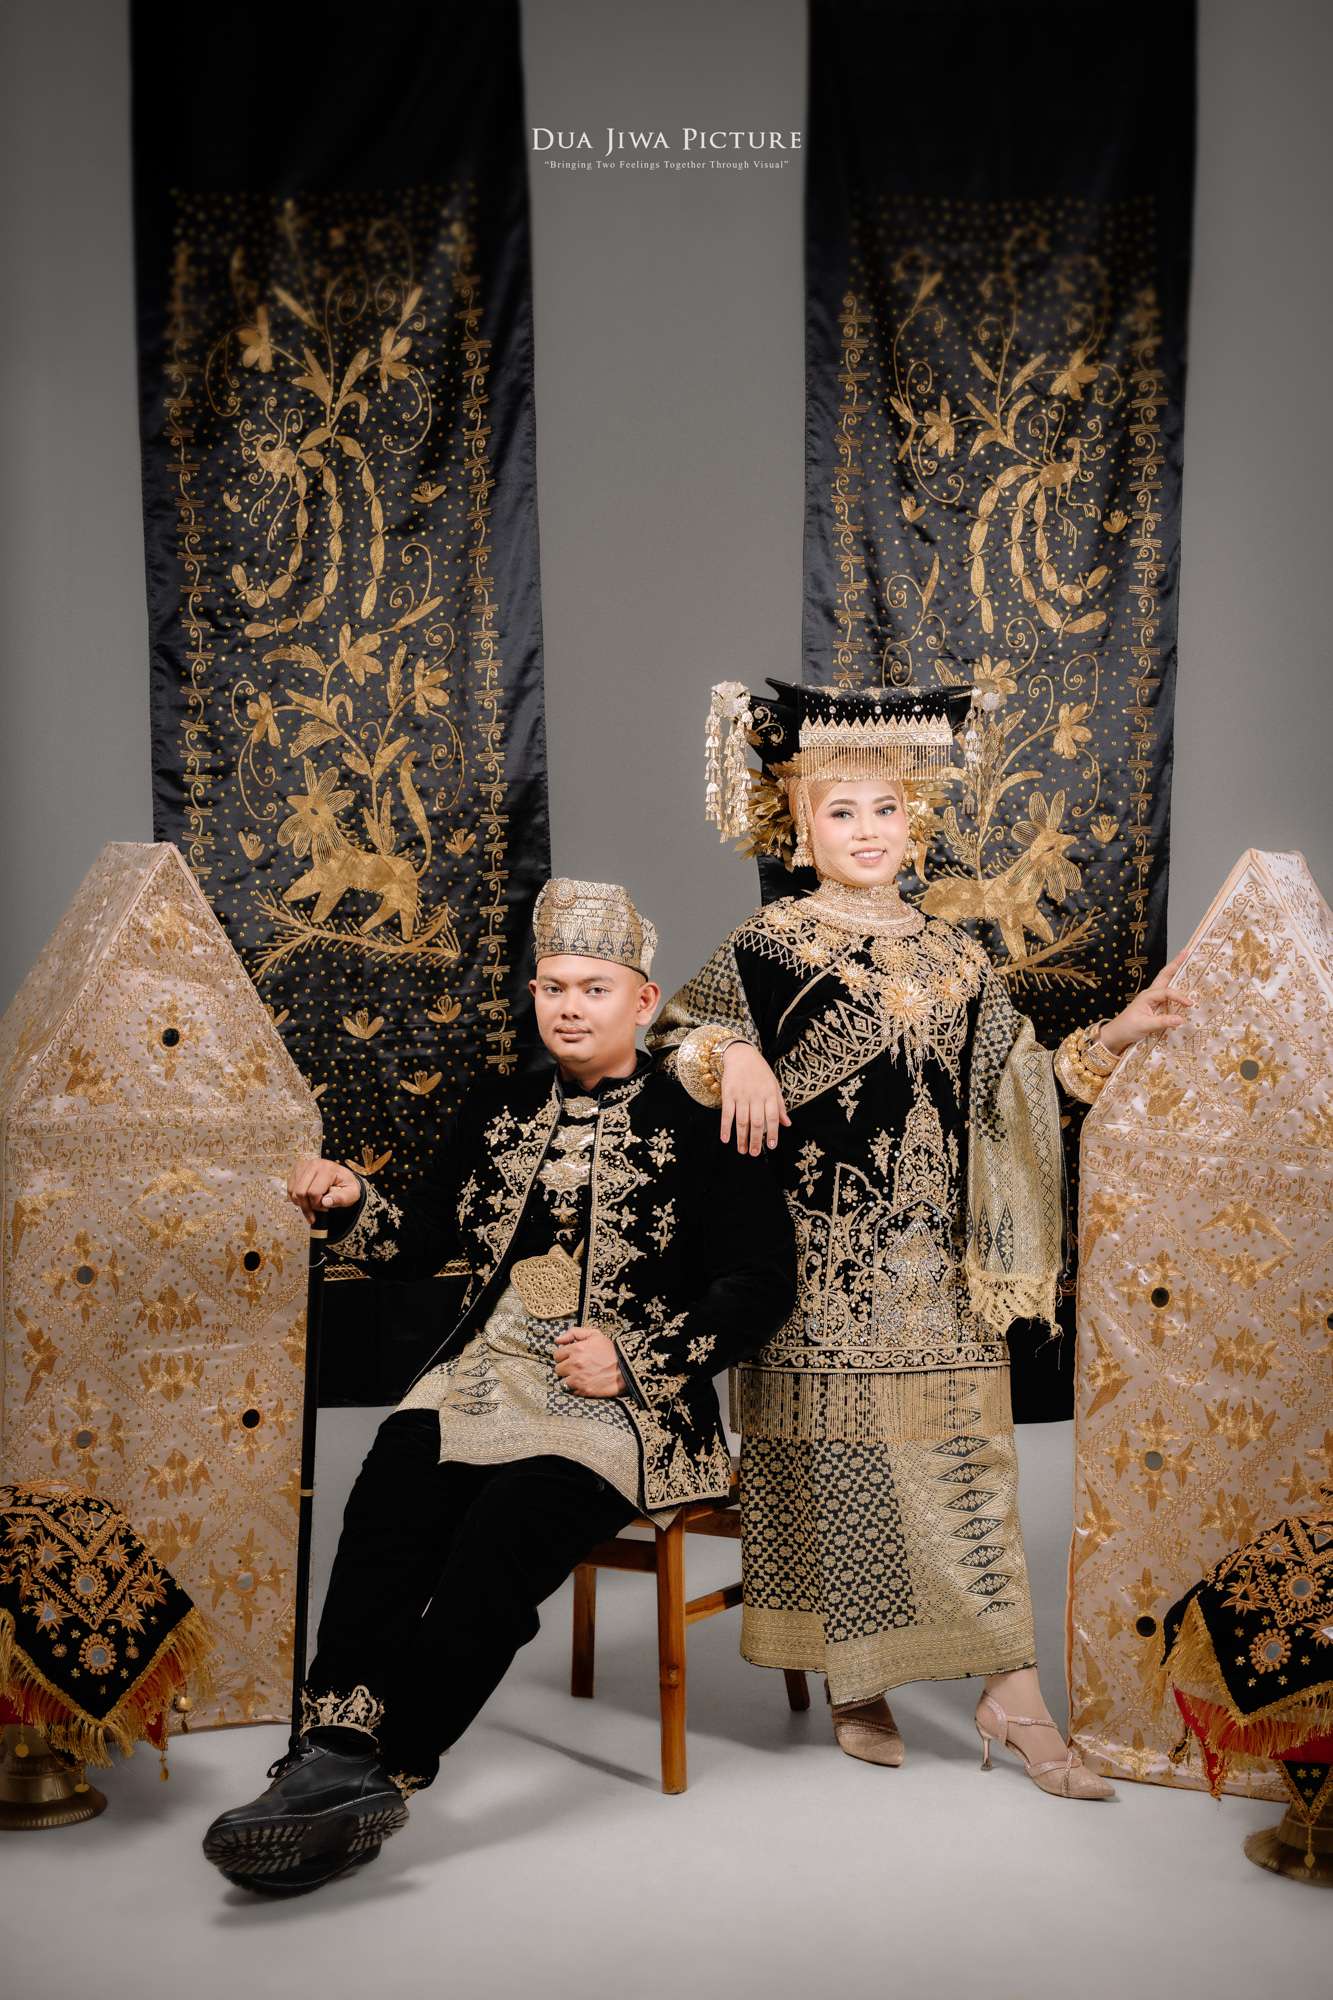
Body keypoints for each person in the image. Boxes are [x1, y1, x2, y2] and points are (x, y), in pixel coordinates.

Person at [648, 679, 1192, 1795]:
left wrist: (1119, 1035)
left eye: (885, 810)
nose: (867, 831)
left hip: (941, 1268)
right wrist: (733, 1052)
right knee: (836, 1473)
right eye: (840, 811)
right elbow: (673, 1037)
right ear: (800, 827)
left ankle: (1011, 1694)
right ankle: (858, 1678)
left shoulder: (957, 956)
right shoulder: (767, 941)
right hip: (811, 1267)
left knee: (968, 1477)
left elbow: (1018, 1086)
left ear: (916, 822)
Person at [202, 877, 795, 1893]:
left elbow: (761, 1283)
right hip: (480, 1377)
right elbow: (417, 1241)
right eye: (552, 987)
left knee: (500, 1537)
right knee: (388, 1494)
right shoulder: (498, 1107)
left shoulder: (699, 1117)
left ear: (643, 1001)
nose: (569, 1007)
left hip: (627, 1406)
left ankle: (387, 1765)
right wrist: (350, 1199)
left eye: (594, 989)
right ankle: (329, 1749)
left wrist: (635, 1357)